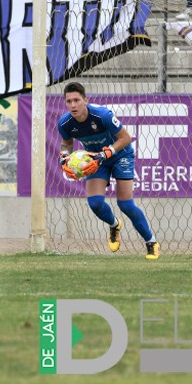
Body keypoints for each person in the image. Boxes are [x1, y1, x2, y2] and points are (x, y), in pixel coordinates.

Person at [58, 82, 160, 260]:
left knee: (125, 204)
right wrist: (64, 157)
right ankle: (114, 225)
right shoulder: (65, 123)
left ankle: (151, 242)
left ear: (85, 100)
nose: (73, 105)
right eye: (69, 101)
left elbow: (125, 138)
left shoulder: (102, 115)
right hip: (96, 160)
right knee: (95, 203)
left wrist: (107, 152)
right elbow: (66, 144)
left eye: (76, 100)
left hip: (120, 154)